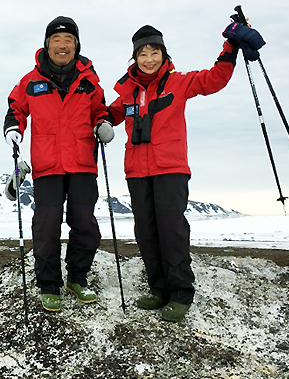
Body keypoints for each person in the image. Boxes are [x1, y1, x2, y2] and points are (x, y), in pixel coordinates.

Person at [108, 22, 261, 322]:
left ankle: (181, 292)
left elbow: (215, 79)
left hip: (170, 169)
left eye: (155, 52)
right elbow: (109, 114)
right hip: (137, 171)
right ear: (134, 58)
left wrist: (230, 48)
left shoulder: (179, 82)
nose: (149, 59)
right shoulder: (127, 91)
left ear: (164, 55)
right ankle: (158, 289)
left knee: (171, 230)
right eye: (142, 53)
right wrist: (100, 120)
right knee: (146, 232)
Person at [3, 16, 115, 312]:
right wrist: (14, 129)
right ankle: (49, 284)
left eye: (68, 41)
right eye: (56, 40)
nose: (62, 45)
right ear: (47, 45)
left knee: (85, 225)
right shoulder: (31, 81)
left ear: (76, 46)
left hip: (82, 163)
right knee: (46, 226)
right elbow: (15, 108)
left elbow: (99, 110)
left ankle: (77, 278)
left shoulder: (90, 81)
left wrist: (102, 123)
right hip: (48, 165)